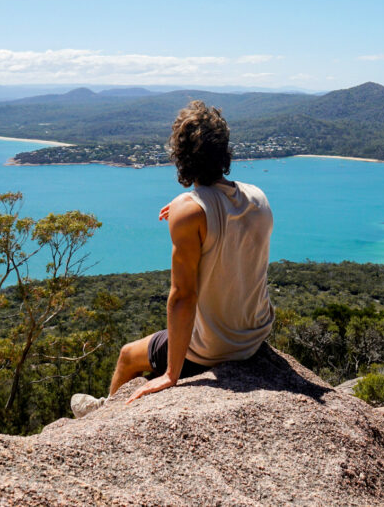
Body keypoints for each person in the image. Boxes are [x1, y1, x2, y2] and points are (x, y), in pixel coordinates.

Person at [70, 100, 275, 418]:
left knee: (127, 356)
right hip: (254, 336)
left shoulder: (190, 211)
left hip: (213, 349)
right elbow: (222, 216)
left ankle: (102, 415)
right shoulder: (257, 197)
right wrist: (186, 204)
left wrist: (171, 375)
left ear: (181, 156)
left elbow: (183, 297)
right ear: (224, 152)